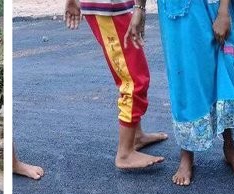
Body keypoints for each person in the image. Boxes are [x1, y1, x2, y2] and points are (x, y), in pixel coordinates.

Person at [148, 0, 234, 186]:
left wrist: (223, 11)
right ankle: (186, 153)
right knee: (184, 76)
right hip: (176, 10)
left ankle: (230, 146)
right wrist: (139, 8)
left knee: (224, 68)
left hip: (214, 5)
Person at [64, 0, 168, 171]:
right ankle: (125, 154)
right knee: (133, 81)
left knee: (132, 72)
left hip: (114, 6)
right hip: (108, 8)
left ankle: (136, 136)